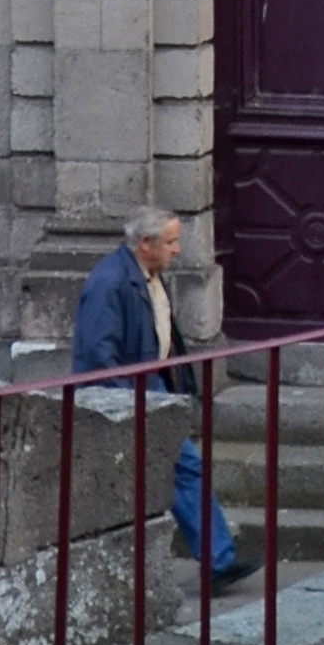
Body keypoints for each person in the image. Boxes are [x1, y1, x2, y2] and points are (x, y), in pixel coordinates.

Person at [70, 206, 243, 584]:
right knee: (181, 469)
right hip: (129, 394)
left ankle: (218, 559)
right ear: (145, 244)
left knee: (180, 470)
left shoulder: (145, 274)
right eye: (171, 242)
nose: (178, 250)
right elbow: (100, 355)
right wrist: (129, 404)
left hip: (150, 388)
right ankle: (217, 560)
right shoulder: (110, 284)